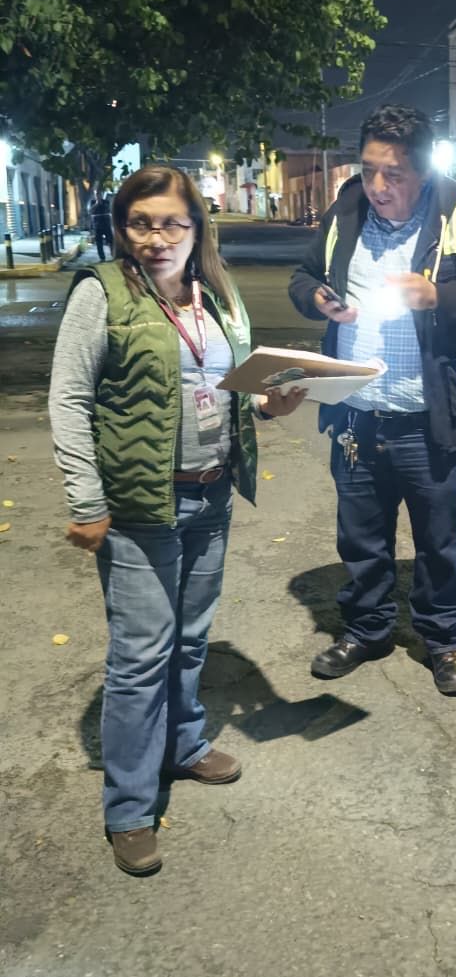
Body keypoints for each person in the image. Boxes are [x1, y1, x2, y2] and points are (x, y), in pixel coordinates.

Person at [49, 165, 305, 877]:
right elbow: (69, 399)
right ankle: (129, 806)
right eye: (141, 223)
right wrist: (86, 501)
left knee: (190, 640)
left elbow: (233, 390)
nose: (156, 238)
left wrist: (270, 406)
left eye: (171, 223)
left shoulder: (215, 294)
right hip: (140, 506)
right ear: (121, 228)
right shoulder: (103, 293)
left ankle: (183, 744)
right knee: (140, 658)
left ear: (198, 230)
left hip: (210, 496)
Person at [288, 105, 456, 695]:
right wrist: (318, 300)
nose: (378, 186)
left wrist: (439, 295)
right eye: (369, 170)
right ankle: (367, 629)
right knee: (360, 536)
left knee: (438, 540)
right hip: (356, 413)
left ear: (423, 171)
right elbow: (302, 276)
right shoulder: (347, 208)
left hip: (428, 416)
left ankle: (443, 639)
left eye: (394, 174)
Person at [90, 190, 113, 262]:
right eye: (97, 194)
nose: (98, 196)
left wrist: (101, 203)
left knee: (111, 241)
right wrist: (97, 204)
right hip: (97, 226)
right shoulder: (93, 202)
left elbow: (108, 209)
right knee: (99, 243)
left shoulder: (106, 202)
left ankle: (113, 254)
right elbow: (91, 210)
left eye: (99, 194)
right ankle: (102, 258)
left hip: (106, 224)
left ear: (102, 195)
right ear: (95, 195)